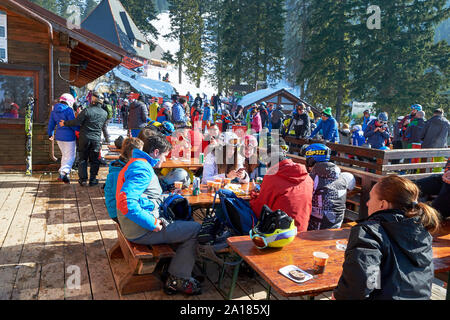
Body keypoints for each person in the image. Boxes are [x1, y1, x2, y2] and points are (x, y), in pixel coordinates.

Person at [116, 134, 202, 295]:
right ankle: (178, 278)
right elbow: (126, 202)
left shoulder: (137, 163)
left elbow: (146, 197)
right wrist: (152, 222)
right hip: (141, 231)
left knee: (183, 219)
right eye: (163, 156)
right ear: (155, 152)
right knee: (195, 228)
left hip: (133, 226)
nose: (163, 160)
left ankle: (175, 265)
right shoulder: (142, 168)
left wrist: (168, 196)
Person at [333, 175, 441, 300]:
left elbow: (360, 285)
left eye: (371, 198)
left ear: (382, 204)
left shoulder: (369, 231)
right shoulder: (422, 229)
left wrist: (338, 296)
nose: (367, 203)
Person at [250, 142, 313, 232]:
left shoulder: (272, 177)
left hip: (278, 232)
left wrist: (253, 194)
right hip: (302, 229)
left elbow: (260, 209)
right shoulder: (308, 178)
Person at [60, 91, 108, 186]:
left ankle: (83, 179)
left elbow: (77, 122)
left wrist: (65, 123)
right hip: (96, 139)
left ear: (93, 100)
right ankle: (93, 179)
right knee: (94, 160)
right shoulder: (104, 113)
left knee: (83, 159)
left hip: (84, 138)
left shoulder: (87, 111)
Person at [302, 143, 350, 230]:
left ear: (311, 160)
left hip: (316, 229)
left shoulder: (312, 178)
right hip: (336, 226)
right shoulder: (341, 177)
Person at [104, 137, 144, 224]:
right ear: (133, 152)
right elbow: (121, 198)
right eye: (140, 152)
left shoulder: (124, 165)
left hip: (120, 207)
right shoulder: (118, 172)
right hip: (117, 212)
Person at [47, 93, 79, 183]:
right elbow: (72, 124)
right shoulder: (68, 110)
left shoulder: (54, 111)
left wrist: (50, 134)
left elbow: (51, 124)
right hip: (69, 137)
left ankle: (63, 174)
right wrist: (80, 128)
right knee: (71, 156)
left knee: (65, 155)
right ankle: (64, 172)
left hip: (59, 137)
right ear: (69, 102)